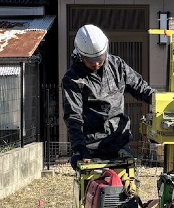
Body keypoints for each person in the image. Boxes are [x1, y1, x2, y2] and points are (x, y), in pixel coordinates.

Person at [62, 24, 155, 167]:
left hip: (119, 141)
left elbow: (140, 87)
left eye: (100, 57)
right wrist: (80, 149)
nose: (97, 63)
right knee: (95, 187)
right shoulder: (73, 79)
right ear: (81, 56)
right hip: (91, 147)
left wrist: (158, 100)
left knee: (128, 184)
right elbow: (73, 116)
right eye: (91, 60)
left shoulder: (117, 66)